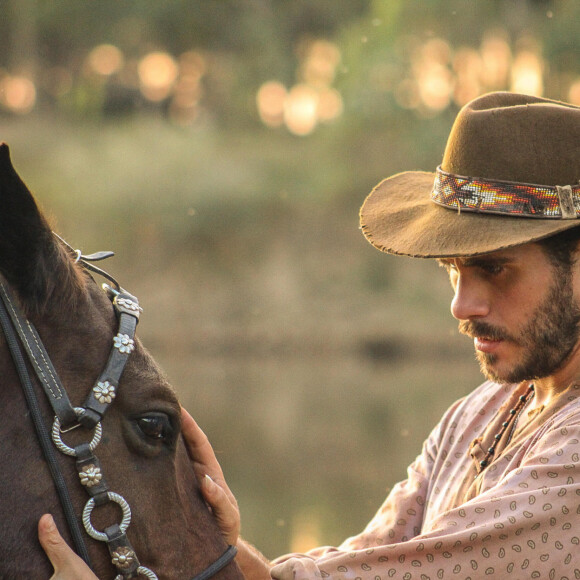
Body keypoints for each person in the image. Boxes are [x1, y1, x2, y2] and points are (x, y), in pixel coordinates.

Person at [40, 91, 580, 579]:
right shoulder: (478, 413)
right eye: (453, 269)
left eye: (496, 268)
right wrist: (220, 544)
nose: (462, 304)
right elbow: (372, 560)